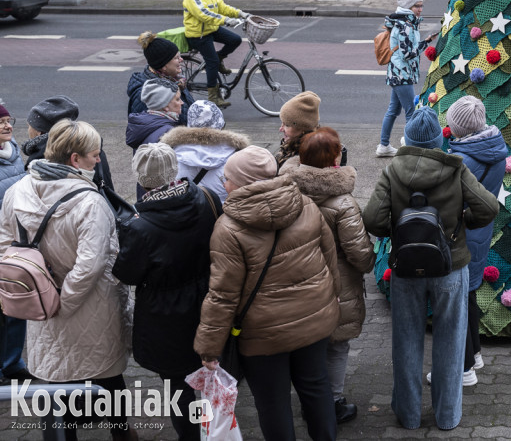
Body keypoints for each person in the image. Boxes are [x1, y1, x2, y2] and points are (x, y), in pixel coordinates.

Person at [362, 108, 499, 431]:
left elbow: (372, 220)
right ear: (439, 139)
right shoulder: (456, 168)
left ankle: (408, 415)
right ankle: (448, 415)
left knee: (406, 341)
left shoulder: (393, 169)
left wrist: (399, 229)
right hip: (450, 265)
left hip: (406, 267)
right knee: (451, 341)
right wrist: (462, 224)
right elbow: (488, 207)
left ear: (408, 138)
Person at [194, 146, 341, 441]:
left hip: (263, 337)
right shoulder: (306, 205)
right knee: (317, 389)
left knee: (273, 403)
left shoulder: (228, 228)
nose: (224, 183)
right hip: (314, 322)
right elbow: (329, 259)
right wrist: (331, 299)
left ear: (244, 181)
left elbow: (223, 295)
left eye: (228, 177)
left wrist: (209, 347)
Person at [0, 119, 135, 440]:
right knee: (109, 388)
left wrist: (39, 293)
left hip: (40, 312)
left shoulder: (18, 190)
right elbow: (91, 264)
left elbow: (5, 248)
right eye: (95, 155)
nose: (99, 160)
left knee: (59, 394)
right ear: (75, 159)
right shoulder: (89, 201)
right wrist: (62, 301)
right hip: (91, 313)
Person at [113, 142, 219, 441]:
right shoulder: (206, 198)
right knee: (211, 377)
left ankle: (191, 437)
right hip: (209, 303)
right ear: (175, 170)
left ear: (141, 178)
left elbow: (127, 273)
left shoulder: (140, 226)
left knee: (179, 387)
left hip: (166, 316)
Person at [280, 128, 373, 425]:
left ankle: (309, 398)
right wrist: (369, 263)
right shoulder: (343, 203)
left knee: (307, 343)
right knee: (336, 344)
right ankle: (332, 402)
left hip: (297, 281)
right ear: (334, 160)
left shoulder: (285, 192)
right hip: (336, 285)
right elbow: (359, 253)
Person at [444, 96, 507, 382]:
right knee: (468, 294)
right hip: (481, 231)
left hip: (464, 234)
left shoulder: (464, 160)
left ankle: (464, 368)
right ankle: (477, 353)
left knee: (459, 299)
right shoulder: (493, 148)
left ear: (460, 128)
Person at [182, 0, 251, 109]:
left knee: (235, 40)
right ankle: (213, 97)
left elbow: (222, 6)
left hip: (210, 29)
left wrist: (240, 13)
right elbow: (204, 13)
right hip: (198, 34)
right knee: (211, 61)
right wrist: (225, 20)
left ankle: (220, 58)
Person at [377, 0, 437, 157]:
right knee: (411, 111)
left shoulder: (405, 23)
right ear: (407, 7)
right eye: (416, 6)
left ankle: (384, 146)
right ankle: (411, 147)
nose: (420, 9)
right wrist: (425, 44)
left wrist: (425, 41)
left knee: (393, 110)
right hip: (402, 74)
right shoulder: (405, 25)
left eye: (421, 5)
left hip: (397, 72)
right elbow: (408, 54)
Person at [160, 100, 249, 203]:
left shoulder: (171, 155)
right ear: (221, 125)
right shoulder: (238, 157)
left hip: (186, 216)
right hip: (223, 216)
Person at [0, 103, 31, 386]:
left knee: (15, 304)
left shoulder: (14, 153)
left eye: (9, 120)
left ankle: (13, 363)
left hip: (16, 240)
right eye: (1, 123)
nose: (8, 126)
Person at [127, 31, 195, 125]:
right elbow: (150, 131)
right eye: (176, 58)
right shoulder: (147, 95)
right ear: (164, 66)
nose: (181, 59)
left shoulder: (176, 81)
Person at [276, 90, 321, 168]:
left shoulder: (303, 161)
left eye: (286, 125)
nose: (281, 129)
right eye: (282, 123)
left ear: (303, 128)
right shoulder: (292, 146)